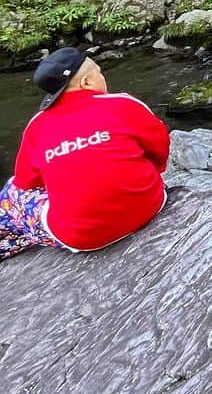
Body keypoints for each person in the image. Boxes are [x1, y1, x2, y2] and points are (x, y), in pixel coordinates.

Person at [0, 47, 170, 261]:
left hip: (83, 238)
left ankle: (12, 241)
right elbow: (160, 147)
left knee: (11, 191)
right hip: (150, 205)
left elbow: (26, 181)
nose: (103, 77)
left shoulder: (36, 126)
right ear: (87, 82)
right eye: (99, 72)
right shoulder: (124, 104)